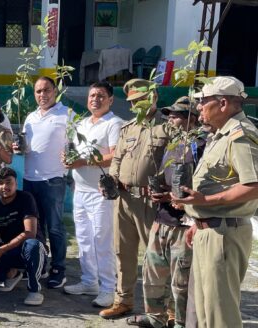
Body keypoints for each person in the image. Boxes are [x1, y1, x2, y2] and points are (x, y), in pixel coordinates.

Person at [172, 76, 258, 328]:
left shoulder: (240, 135)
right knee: (205, 311)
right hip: (210, 229)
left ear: (222, 103)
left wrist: (206, 201)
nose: (198, 106)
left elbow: (253, 186)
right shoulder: (220, 135)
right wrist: (197, 221)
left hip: (224, 234)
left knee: (220, 313)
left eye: (203, 101)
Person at [99, 78, 174, 319]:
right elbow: (118, 159)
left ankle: (168, 308)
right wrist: (111, 181)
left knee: (157, 256)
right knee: (123, 252)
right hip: (123, 199)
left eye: (140, 100)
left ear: (152, 98)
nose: (136, 105)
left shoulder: (167, 127)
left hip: (151, 201)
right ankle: (124, 300)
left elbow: (174, 162)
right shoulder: (128, 128)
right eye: (132, 102)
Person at [124, 96, 202, 328]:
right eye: (169, 115)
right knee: (153, 272)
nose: (171, 119)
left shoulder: (201, 144)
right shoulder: (173, 143)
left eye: (177, 115)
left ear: (192, 119)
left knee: (181, 279)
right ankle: (155, 317)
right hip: (162, 217)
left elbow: (200, 184)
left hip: (184, 221)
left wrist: (175, 196)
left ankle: (180, 321)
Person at [62, 81, 124, 308]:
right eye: (91, 96)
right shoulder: (82, 123)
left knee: (102, 240)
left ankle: (109, 288)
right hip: (80, 190)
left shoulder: (115, 124)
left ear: (110, 100)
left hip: (101, 192)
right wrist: (68, 158)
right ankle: (89, 281)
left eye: (100, 95)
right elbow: (74, 153)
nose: (95, 99)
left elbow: (115, 156)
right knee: (85, 239)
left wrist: (83, 161)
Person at [17, 76, 73, 289]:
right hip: (30, 178)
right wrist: (19, 147)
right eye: (38, 91)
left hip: (53, 179)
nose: (42, 95)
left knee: (56, 227)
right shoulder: (31, 117)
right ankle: (38, 265)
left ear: (55, 91)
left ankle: (59, 269)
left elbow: (77, 143)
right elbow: (28, 147)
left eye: (46, 90)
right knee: (36, 227)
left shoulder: (67, 114)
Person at [0, 168, 46, 306]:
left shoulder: (26, 198)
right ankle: (13, 273)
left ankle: (34, 290)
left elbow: (30, 232)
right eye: (0, 183)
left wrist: (2, 250)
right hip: (10, 249)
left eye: (8, 182)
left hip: (31, 250)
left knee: (32, 245)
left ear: (16, 183)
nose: (5, 186)